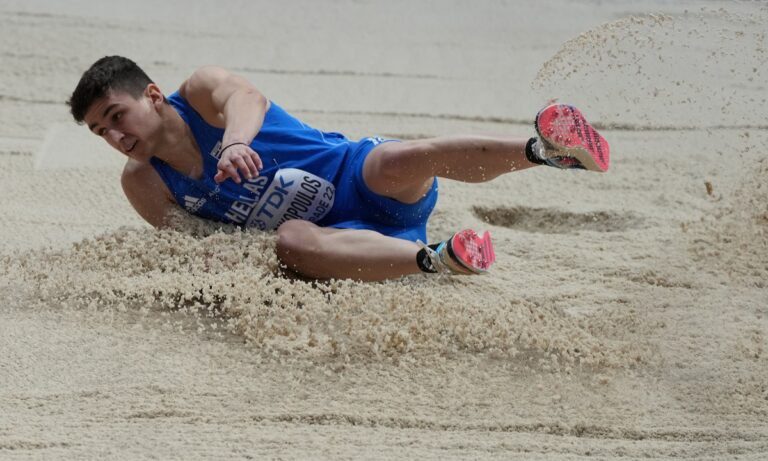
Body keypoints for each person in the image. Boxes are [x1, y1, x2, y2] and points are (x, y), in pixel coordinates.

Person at [68, 56, 610, 282]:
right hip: (338, 243)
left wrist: (234, 144)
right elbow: (196, 244)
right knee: (292, 240)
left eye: (116, 116)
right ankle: (439, 260)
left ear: (153, 96)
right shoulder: (143, 182)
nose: (116, 138)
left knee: (404, 157)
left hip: (355, 176)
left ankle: (548, 151)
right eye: (100, 132)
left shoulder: (203, 92)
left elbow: (248, 98)